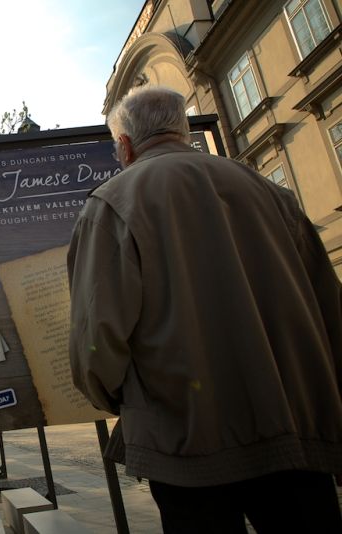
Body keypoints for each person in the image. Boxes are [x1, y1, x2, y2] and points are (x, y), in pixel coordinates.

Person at [67, 86, 342, 533]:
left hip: (186, 440)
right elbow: (331, 314)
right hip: (297, 432)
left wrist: (123, 400)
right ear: (184, 131)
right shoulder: (272, 193)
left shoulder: (113, 203)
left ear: (124, 144)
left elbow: (96, 339)